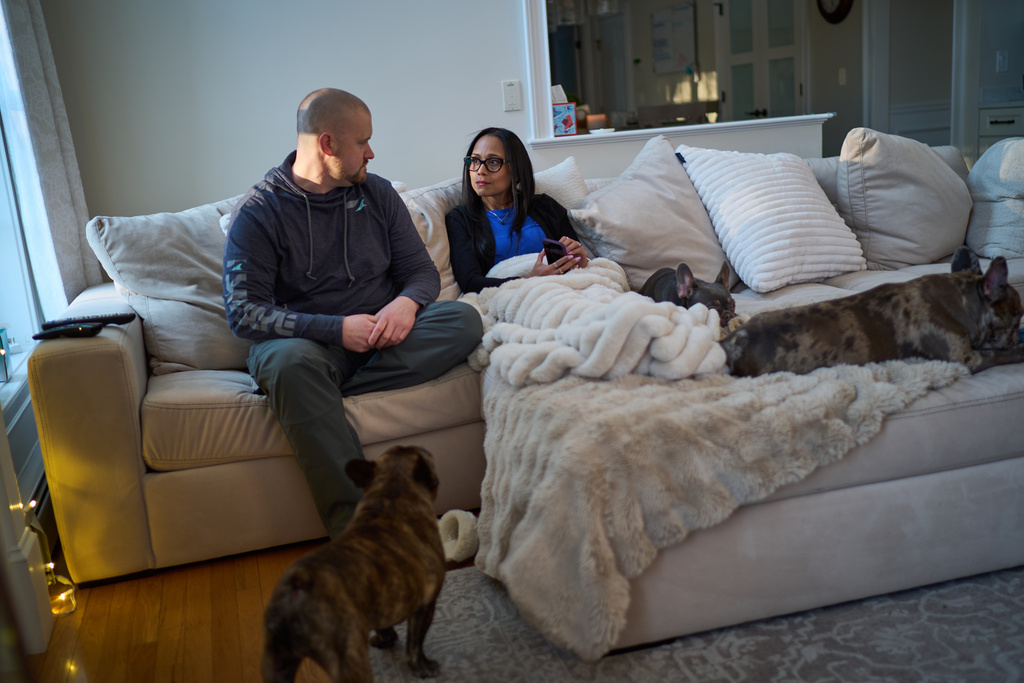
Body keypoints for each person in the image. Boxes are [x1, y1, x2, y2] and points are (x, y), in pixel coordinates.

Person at [222, 88, 483, 538]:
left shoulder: (377, 194)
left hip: (385, 339)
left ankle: (313, 398)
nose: (372, 152)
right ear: (327, 144)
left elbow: (421, 272)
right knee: (287, 363)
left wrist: (405, 303)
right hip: (309, 348)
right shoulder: (259, 212)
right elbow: (243, 313)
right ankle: (362, 534)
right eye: (362, 142)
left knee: (463, 321)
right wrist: (337, 330)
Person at [445, 127, 588, 294]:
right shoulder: (460, 220)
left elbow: (572, 259)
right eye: (475, 161)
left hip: (565, 289)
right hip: (514, 297)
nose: (480, 171)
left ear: (517, 172)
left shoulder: (546, 206)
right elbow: (470, 282)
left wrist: (579, 258)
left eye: (493, 162)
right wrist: (530, 282)